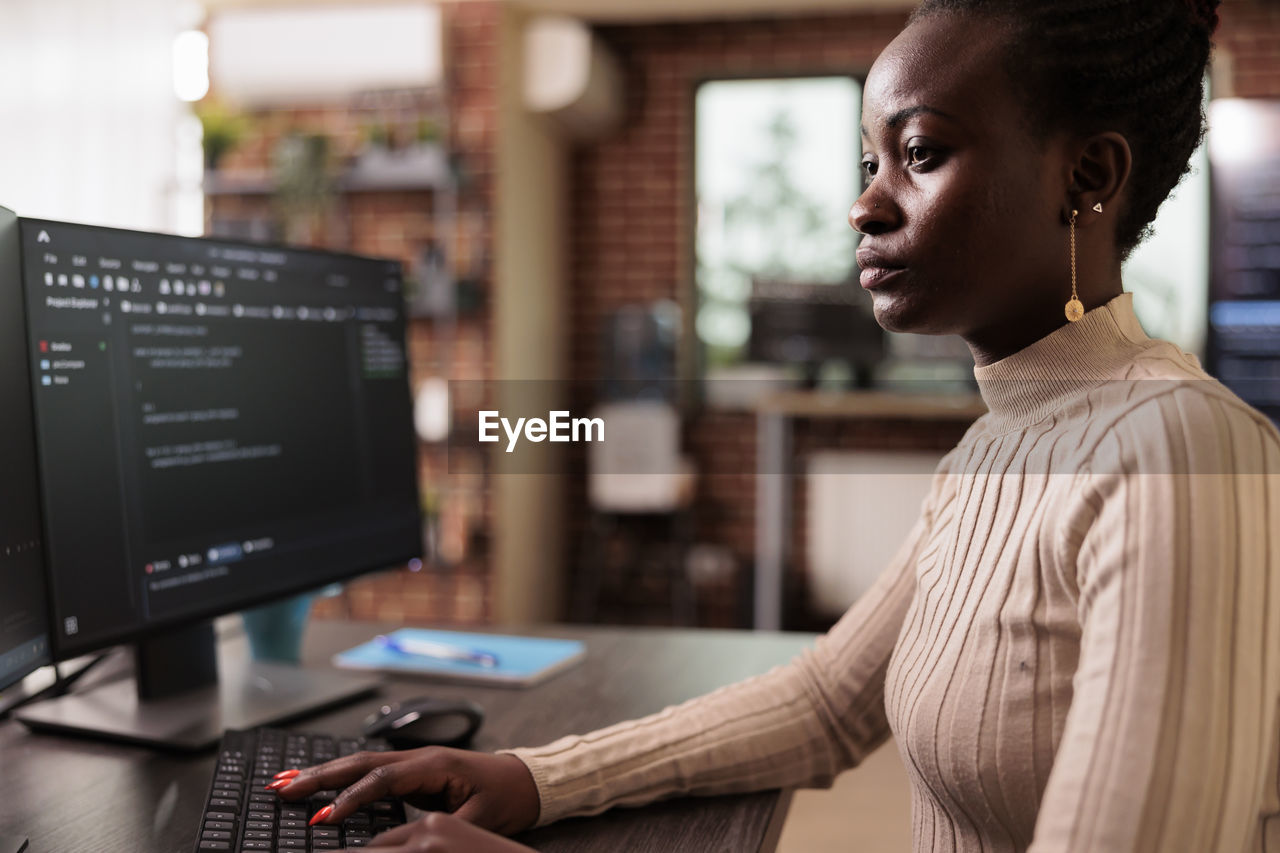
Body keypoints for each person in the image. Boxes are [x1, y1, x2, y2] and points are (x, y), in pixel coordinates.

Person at [270, 0, 1280, 849]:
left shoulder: (1178, 450)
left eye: (918, 152)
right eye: (869, 160)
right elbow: (823, 704)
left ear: (1087, 177)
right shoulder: (992, 451)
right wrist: (531, 776)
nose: (863, 206)